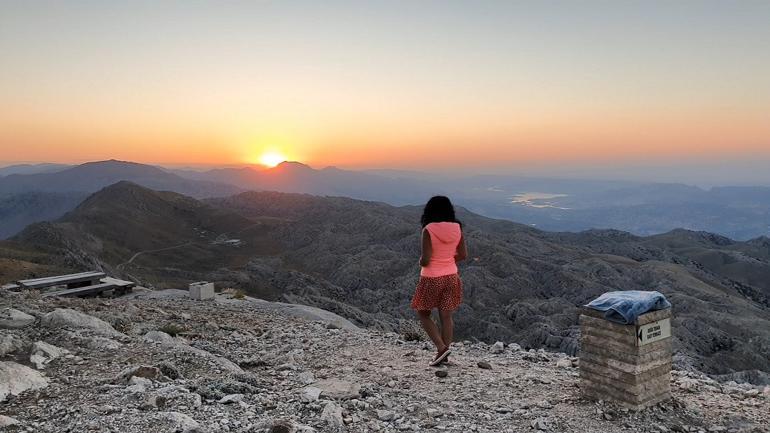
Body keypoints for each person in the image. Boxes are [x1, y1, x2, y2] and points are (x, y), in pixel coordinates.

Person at [411, 196, 467, 366]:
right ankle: (444, 354)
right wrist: (447, 260)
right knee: (446, 316)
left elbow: (426, 259)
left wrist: (420, 261)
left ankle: (441, 348)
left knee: (423, 313)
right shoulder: (457, 228)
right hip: (452, 276)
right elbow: (463, 255)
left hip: (432, 277)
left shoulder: (429, 229)